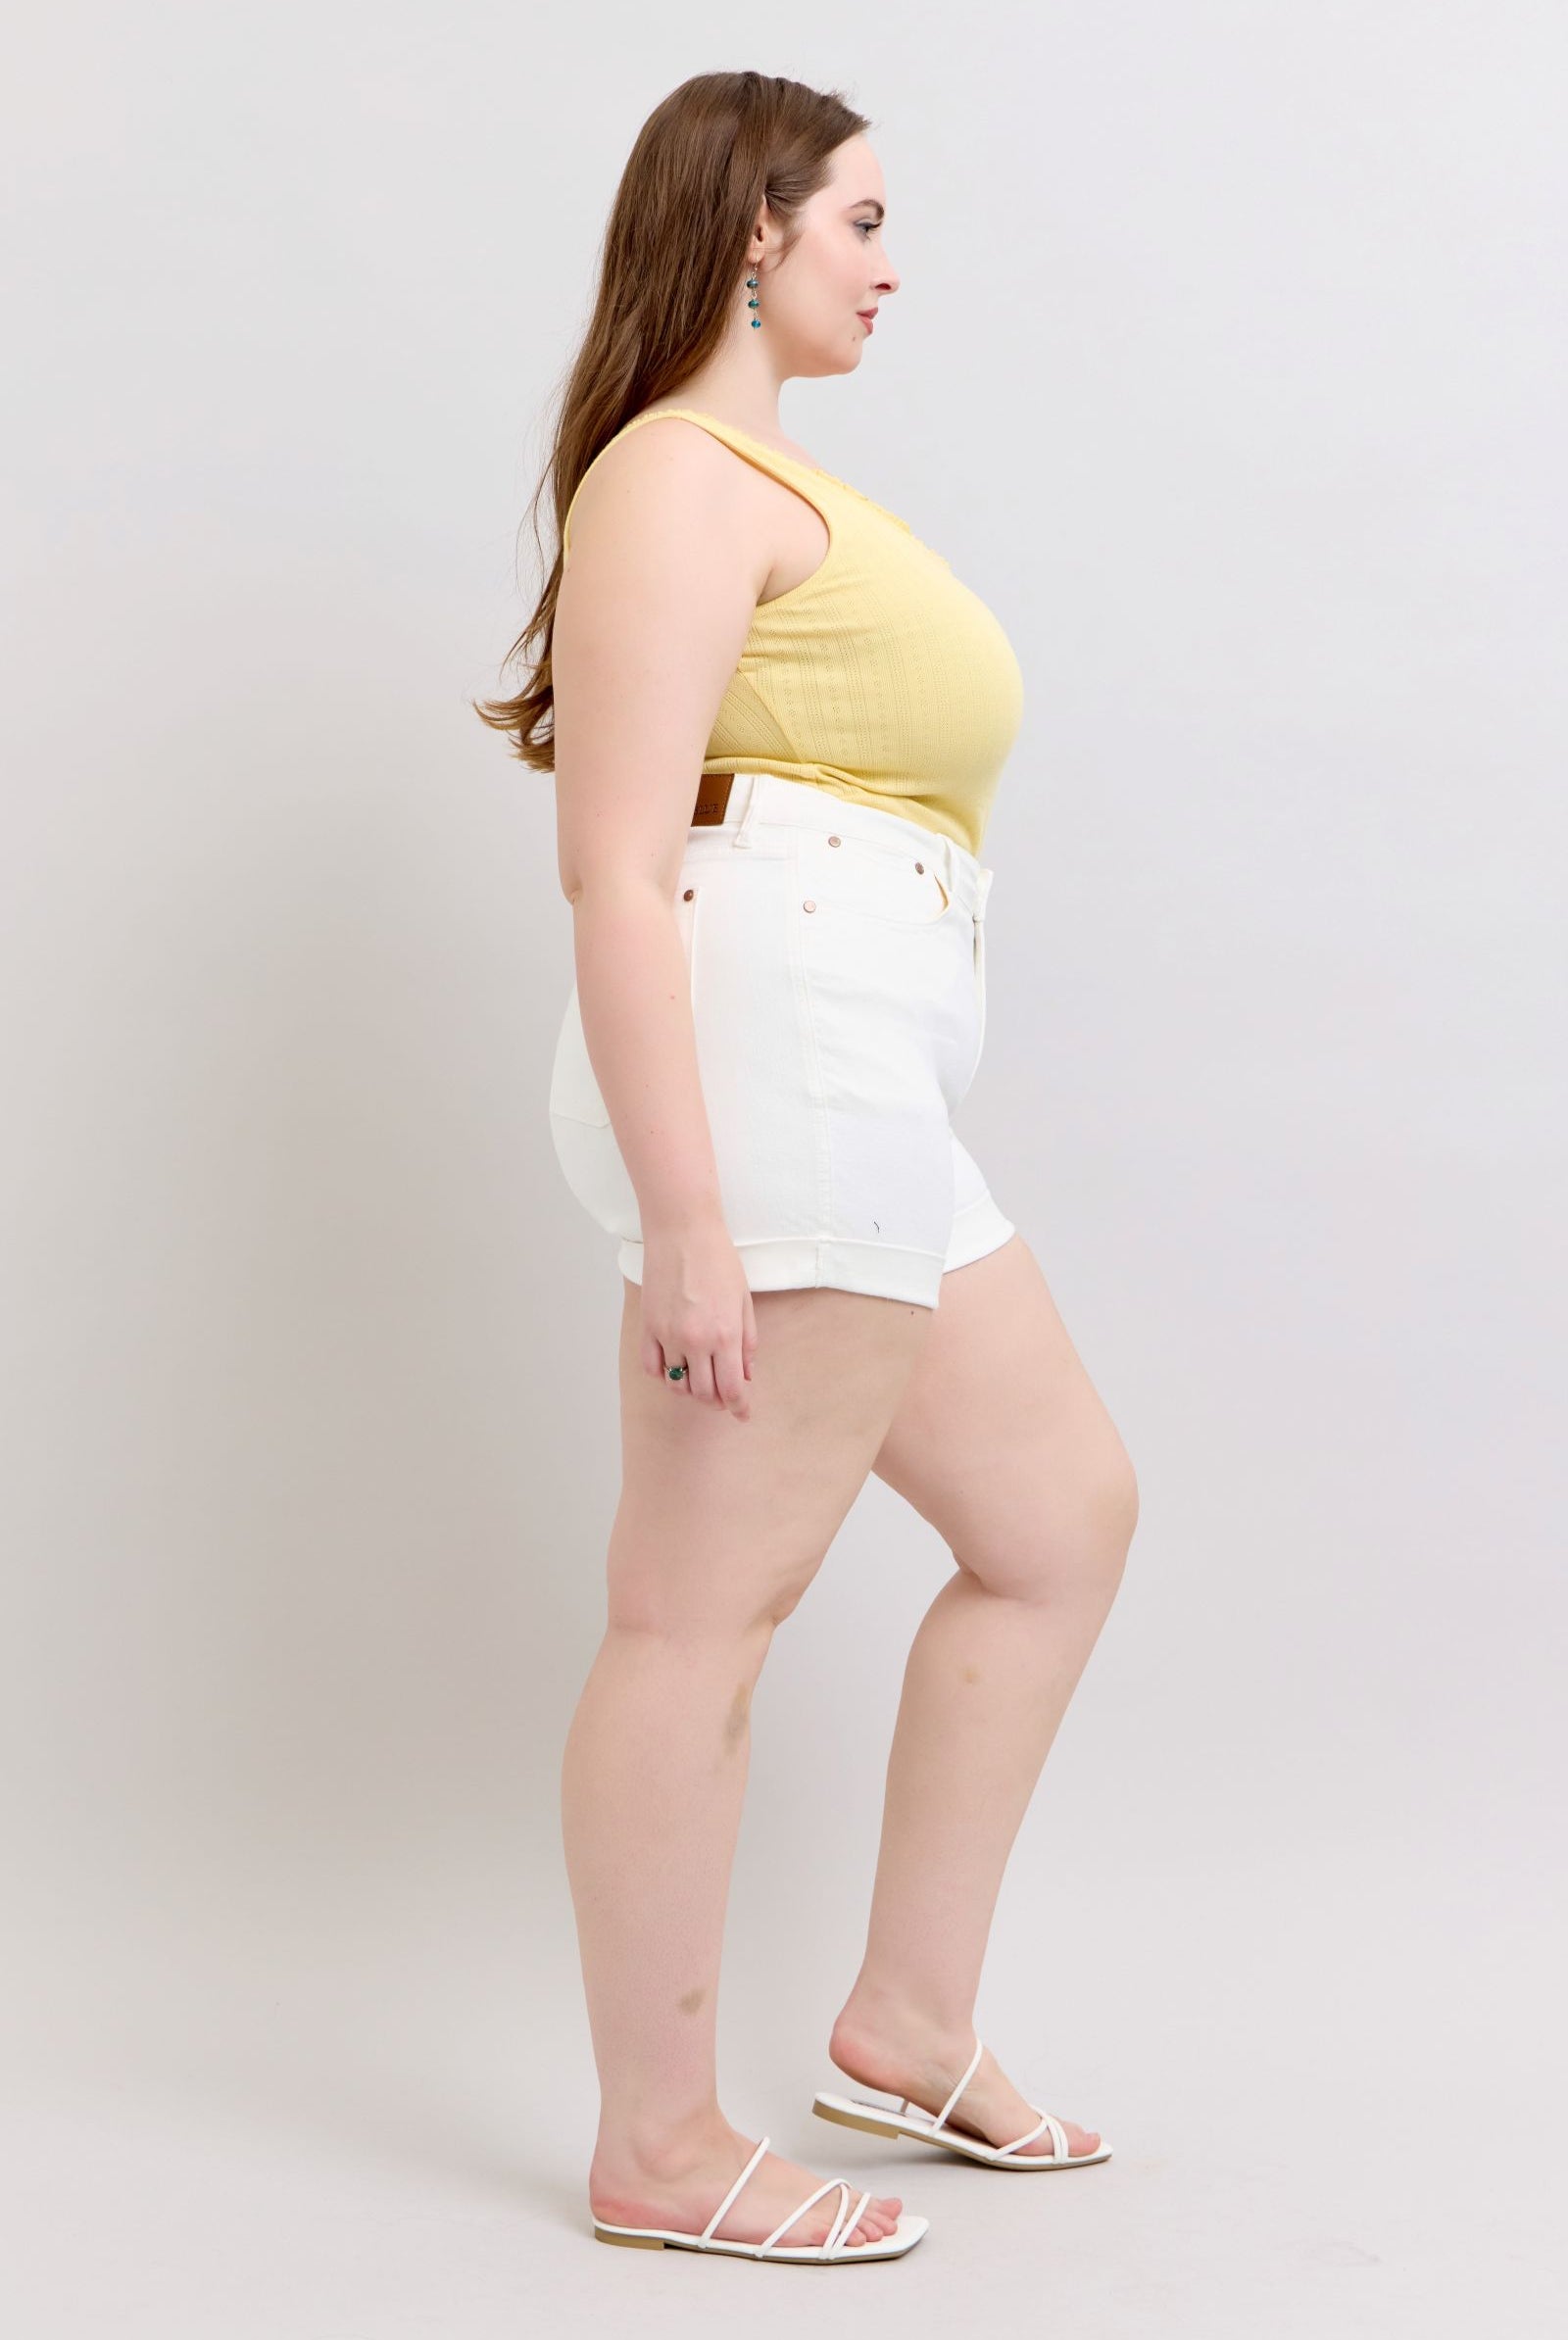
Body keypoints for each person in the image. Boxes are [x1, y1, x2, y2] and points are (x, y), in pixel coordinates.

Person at [475, 71, 1139, 2268]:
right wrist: (686, 1222)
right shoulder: (674, 480)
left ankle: (906, 2019)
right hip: (779, 1065)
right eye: (858, 218)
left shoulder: (764, 478)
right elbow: (613, 870)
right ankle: (660, 2144)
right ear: (751, 230)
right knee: (698, 1614)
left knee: (1056, 1520)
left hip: (868, 1065)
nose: (888, 261)